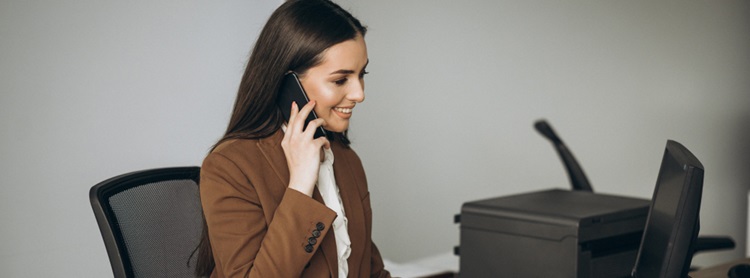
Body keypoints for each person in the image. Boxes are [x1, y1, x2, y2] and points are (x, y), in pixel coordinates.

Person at [194, 0, 391, 277]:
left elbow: (370, 270)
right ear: (290, 84)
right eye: (340, 80)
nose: (359, 94)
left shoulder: (346, 159)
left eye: (362, 74)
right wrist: (300, 187)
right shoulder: (230, 166)